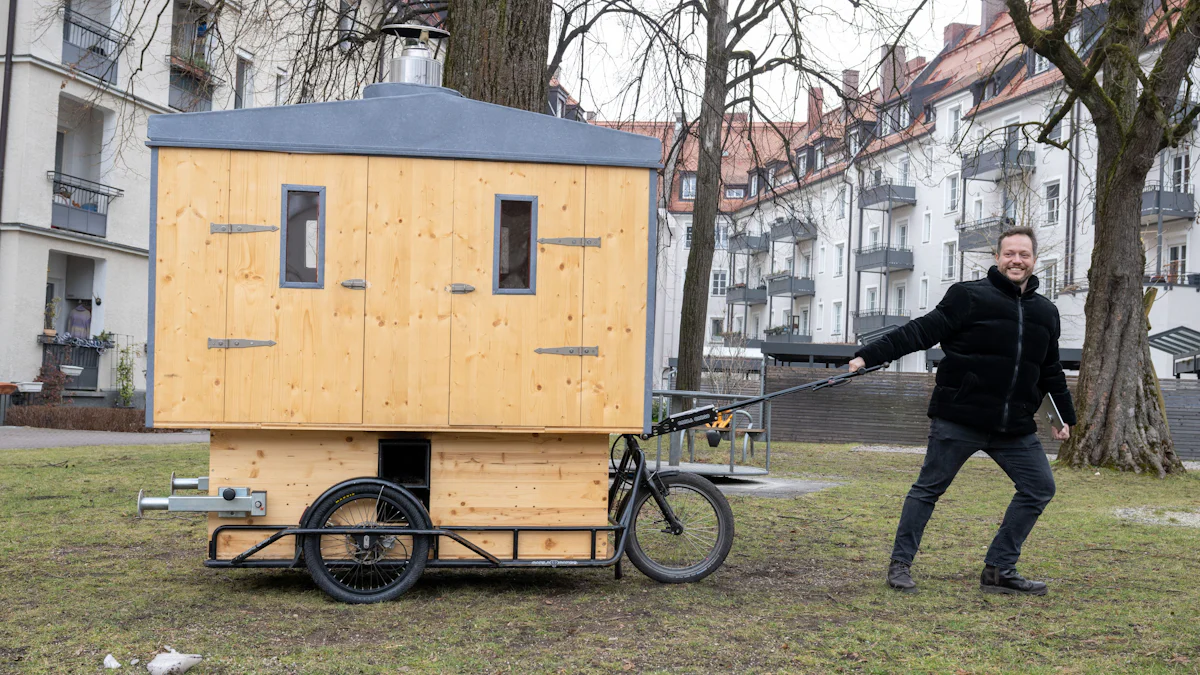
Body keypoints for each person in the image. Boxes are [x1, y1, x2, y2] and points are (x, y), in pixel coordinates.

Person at [848, 226, 1075, 596]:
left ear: (1034, 260)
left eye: (1024, 254)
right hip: (960, 416)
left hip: (1013, 425)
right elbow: (920, 331)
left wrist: (1063, 417)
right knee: (928, 489)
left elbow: (1048, 369)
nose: (1016, 260)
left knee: (1039, 487)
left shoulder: (1046, 312)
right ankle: (900, 564)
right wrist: (867, 356)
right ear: (998, 258)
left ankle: (1000, 569)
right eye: (1009, 254)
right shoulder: (968, 296)